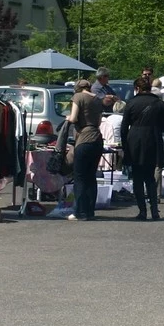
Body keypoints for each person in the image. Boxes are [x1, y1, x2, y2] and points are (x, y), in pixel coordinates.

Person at [121, 77, 164, 220]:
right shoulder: (159, 104)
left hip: (134, 140)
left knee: (137, 178)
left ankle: (142, 211)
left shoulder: (131, 103)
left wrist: (125, 146)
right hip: (153, 140)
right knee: (150, 177)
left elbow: (124, 128)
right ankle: (154, 210)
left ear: (137, 88)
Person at [67, 79, 104, 221]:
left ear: (77, 88)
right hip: (97, 139)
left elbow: (74, 117)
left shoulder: (78, 97)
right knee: (91, 176)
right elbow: (99, 121)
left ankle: (78, 212)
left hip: (84, 139)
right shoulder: (97, 99)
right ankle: (89, 211)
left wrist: (68, 117)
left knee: (80, 177)